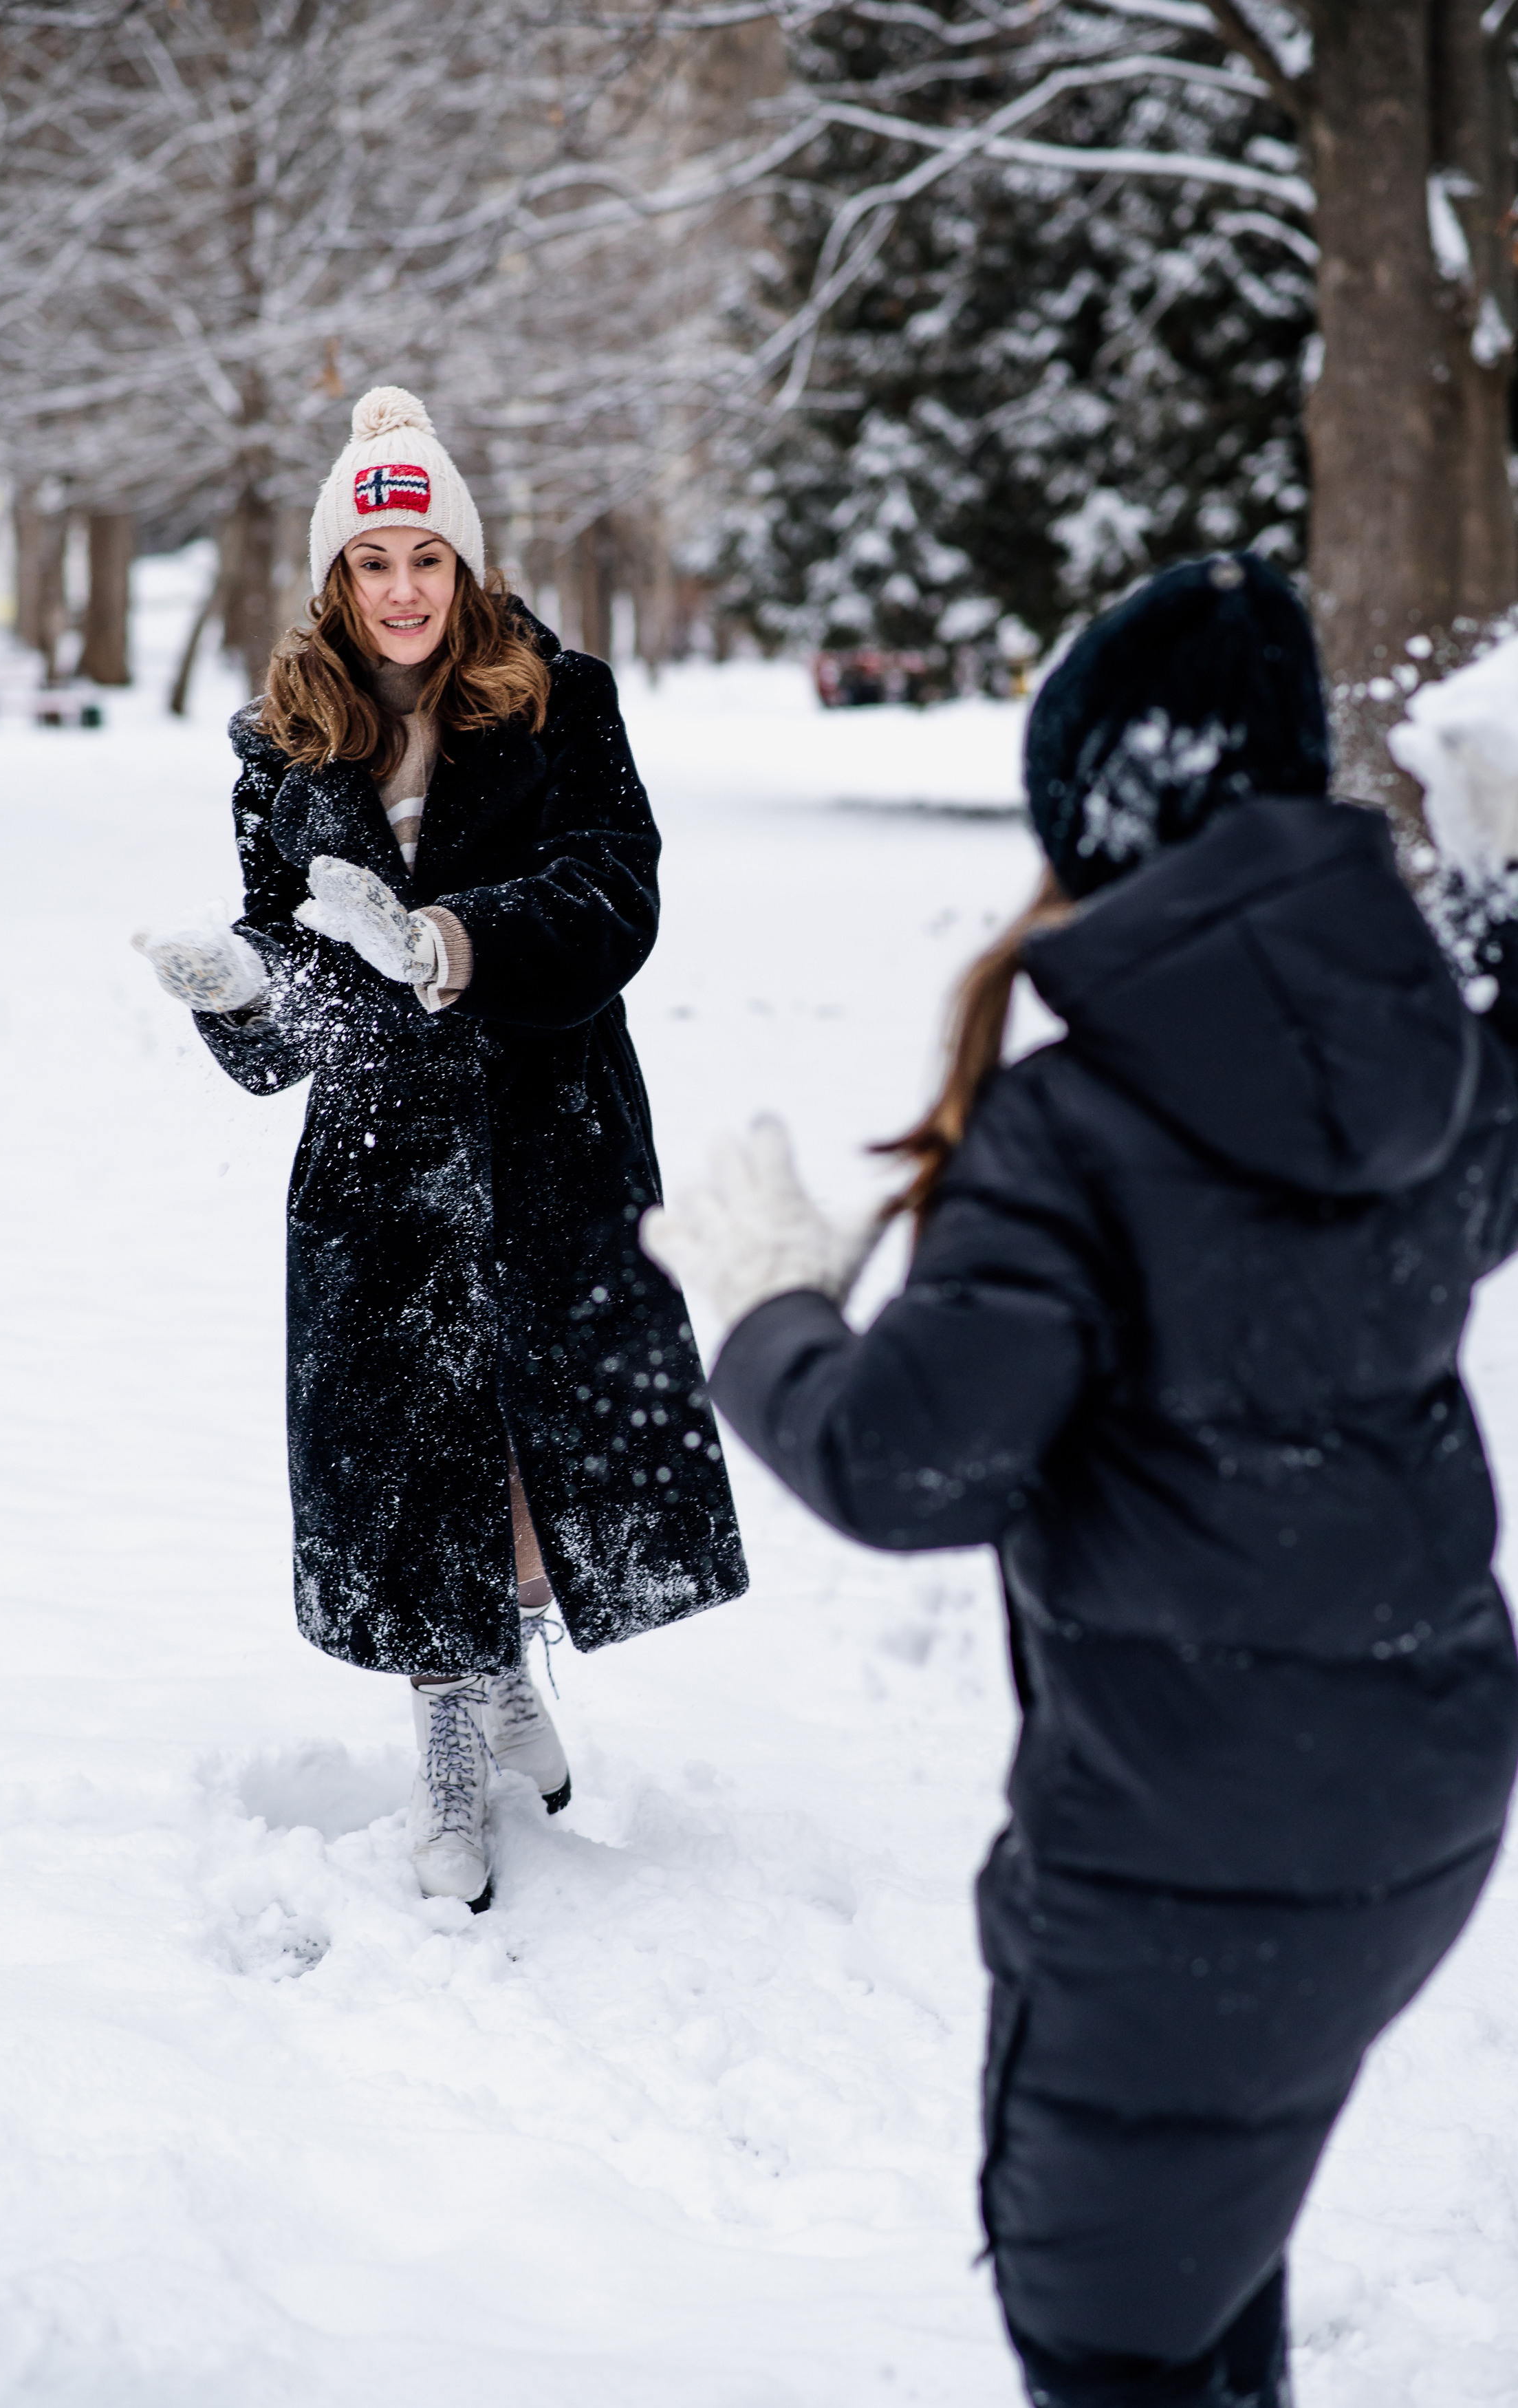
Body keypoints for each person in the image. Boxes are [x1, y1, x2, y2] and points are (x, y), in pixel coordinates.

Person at [642, 554, 1518, 2407]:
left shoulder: (1079, 1121)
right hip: (1419, 1800)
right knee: (1213, 2227)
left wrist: (766, 1311)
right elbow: (1489, 1146)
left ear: (1098, 809)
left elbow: (906, 1458)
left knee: (1105, 2324)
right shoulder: (1410, 1042)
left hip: (1184, 1851)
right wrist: (1510, 906)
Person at [135, 385, 747, 1912]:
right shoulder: (286, 747)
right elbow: (303, 1005)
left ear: (461, 568)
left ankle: (504, 1648)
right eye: (372, 560)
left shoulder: (557, 699)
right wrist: (245, 994)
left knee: (537, 1463)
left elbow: (617, 894)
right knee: (409, 1463)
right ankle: (451, 1741)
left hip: (550, 1138)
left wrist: (450, 939)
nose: (400, 589)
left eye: (425, 557)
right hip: (379, 1163)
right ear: (335, 579)